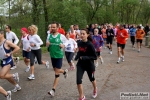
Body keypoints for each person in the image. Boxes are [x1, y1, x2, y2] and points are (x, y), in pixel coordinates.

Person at [46, 22, 68, 97]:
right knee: (56, 69)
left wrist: (63, 45)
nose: (52, 28)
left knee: (56, 72)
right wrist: (47, 44)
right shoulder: (49, 36)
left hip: (59, 56)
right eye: (51, 27)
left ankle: (53, 89)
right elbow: (47, 44)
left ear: (57, 28)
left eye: (54, 27)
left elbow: (66, 42)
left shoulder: (61, 36)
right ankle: (64, 71)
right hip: (52, 56)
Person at [75, 28, 97, 100]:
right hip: (81, 64)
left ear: (87, 35)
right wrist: (76, 57)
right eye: (81, 33)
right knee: (78, 81)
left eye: (83, 34)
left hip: (89, 65)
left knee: (92, 79)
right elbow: (80, 52)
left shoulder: (90, 45)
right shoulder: (79, 43)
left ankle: (95, 89)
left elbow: (94, 56)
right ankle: (82, 96)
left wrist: (84, 57)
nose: (82, 35)